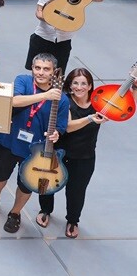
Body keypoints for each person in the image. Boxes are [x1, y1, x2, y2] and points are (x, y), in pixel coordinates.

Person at [0, 52, 69, 234]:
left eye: (46, 69)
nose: (41, 72)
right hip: (10, 141)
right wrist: (46, 95)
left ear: (54, 72)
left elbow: (61, 126)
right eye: (37, 68)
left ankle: (15, 212)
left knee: (26, 184)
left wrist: (56, 134)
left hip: (36, 151)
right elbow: (15, 101)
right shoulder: (24, 81)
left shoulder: (62, 99)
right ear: (32, 68)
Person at [36, 67, 108, 238]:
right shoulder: (65, 101)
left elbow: (123, 104)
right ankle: (45, 210)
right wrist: (90, 118)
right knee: (46, 185)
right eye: (75, 83)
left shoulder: (98, 103)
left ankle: (73, 220)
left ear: (90, 86)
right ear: (69, 85)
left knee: (77, 191)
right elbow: (68, 126)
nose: (79, 87)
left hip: (84, 157)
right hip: (59, 153)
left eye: (83, 83)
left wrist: (134, 85)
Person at [27, 0, 103, 70]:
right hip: (42, 37)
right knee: (36, 72)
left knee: (58, 74)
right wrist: (57, 21)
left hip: (63, 41)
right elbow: (39, 12)